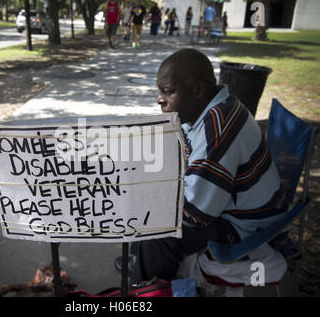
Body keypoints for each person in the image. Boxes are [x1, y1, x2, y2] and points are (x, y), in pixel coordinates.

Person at [122, 48, 290, 284]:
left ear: (198, 89)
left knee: (157, 228)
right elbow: (183, 150)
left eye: (167, 92)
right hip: (232, 205)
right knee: (149, 189)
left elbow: (195, 213)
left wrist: (151, 192)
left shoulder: (218, 129)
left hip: (247, 226)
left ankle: (148, 289)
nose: (159, 100)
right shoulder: (209, 110)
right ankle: (142, 267)